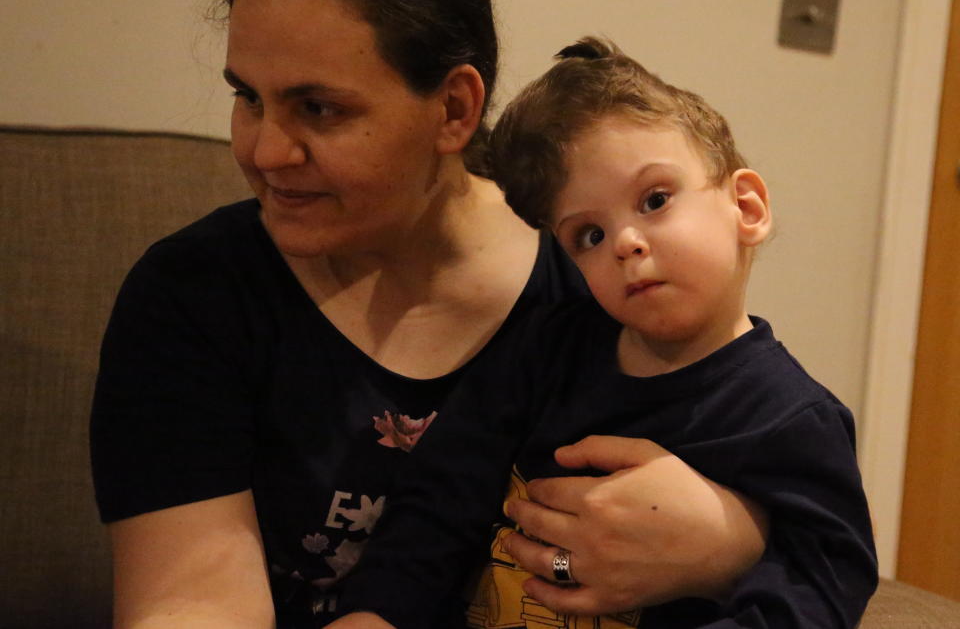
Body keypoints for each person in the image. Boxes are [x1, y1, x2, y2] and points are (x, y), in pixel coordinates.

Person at [89, 0, 768, 629]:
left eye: (318, 108)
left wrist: (729, 545)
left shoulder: (597, 283)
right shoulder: (196, 294)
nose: (264, 152)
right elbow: (190, 604)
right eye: (248, 98)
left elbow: (761, 457)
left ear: (453, 109)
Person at [328, 38, 879, 628]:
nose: (624, 243)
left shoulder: (793, 418)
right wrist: (377, 613)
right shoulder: (546, 352)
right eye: (588, 235)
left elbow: (819, 586)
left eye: (655, 199)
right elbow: (440, 502)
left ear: (746, 207)